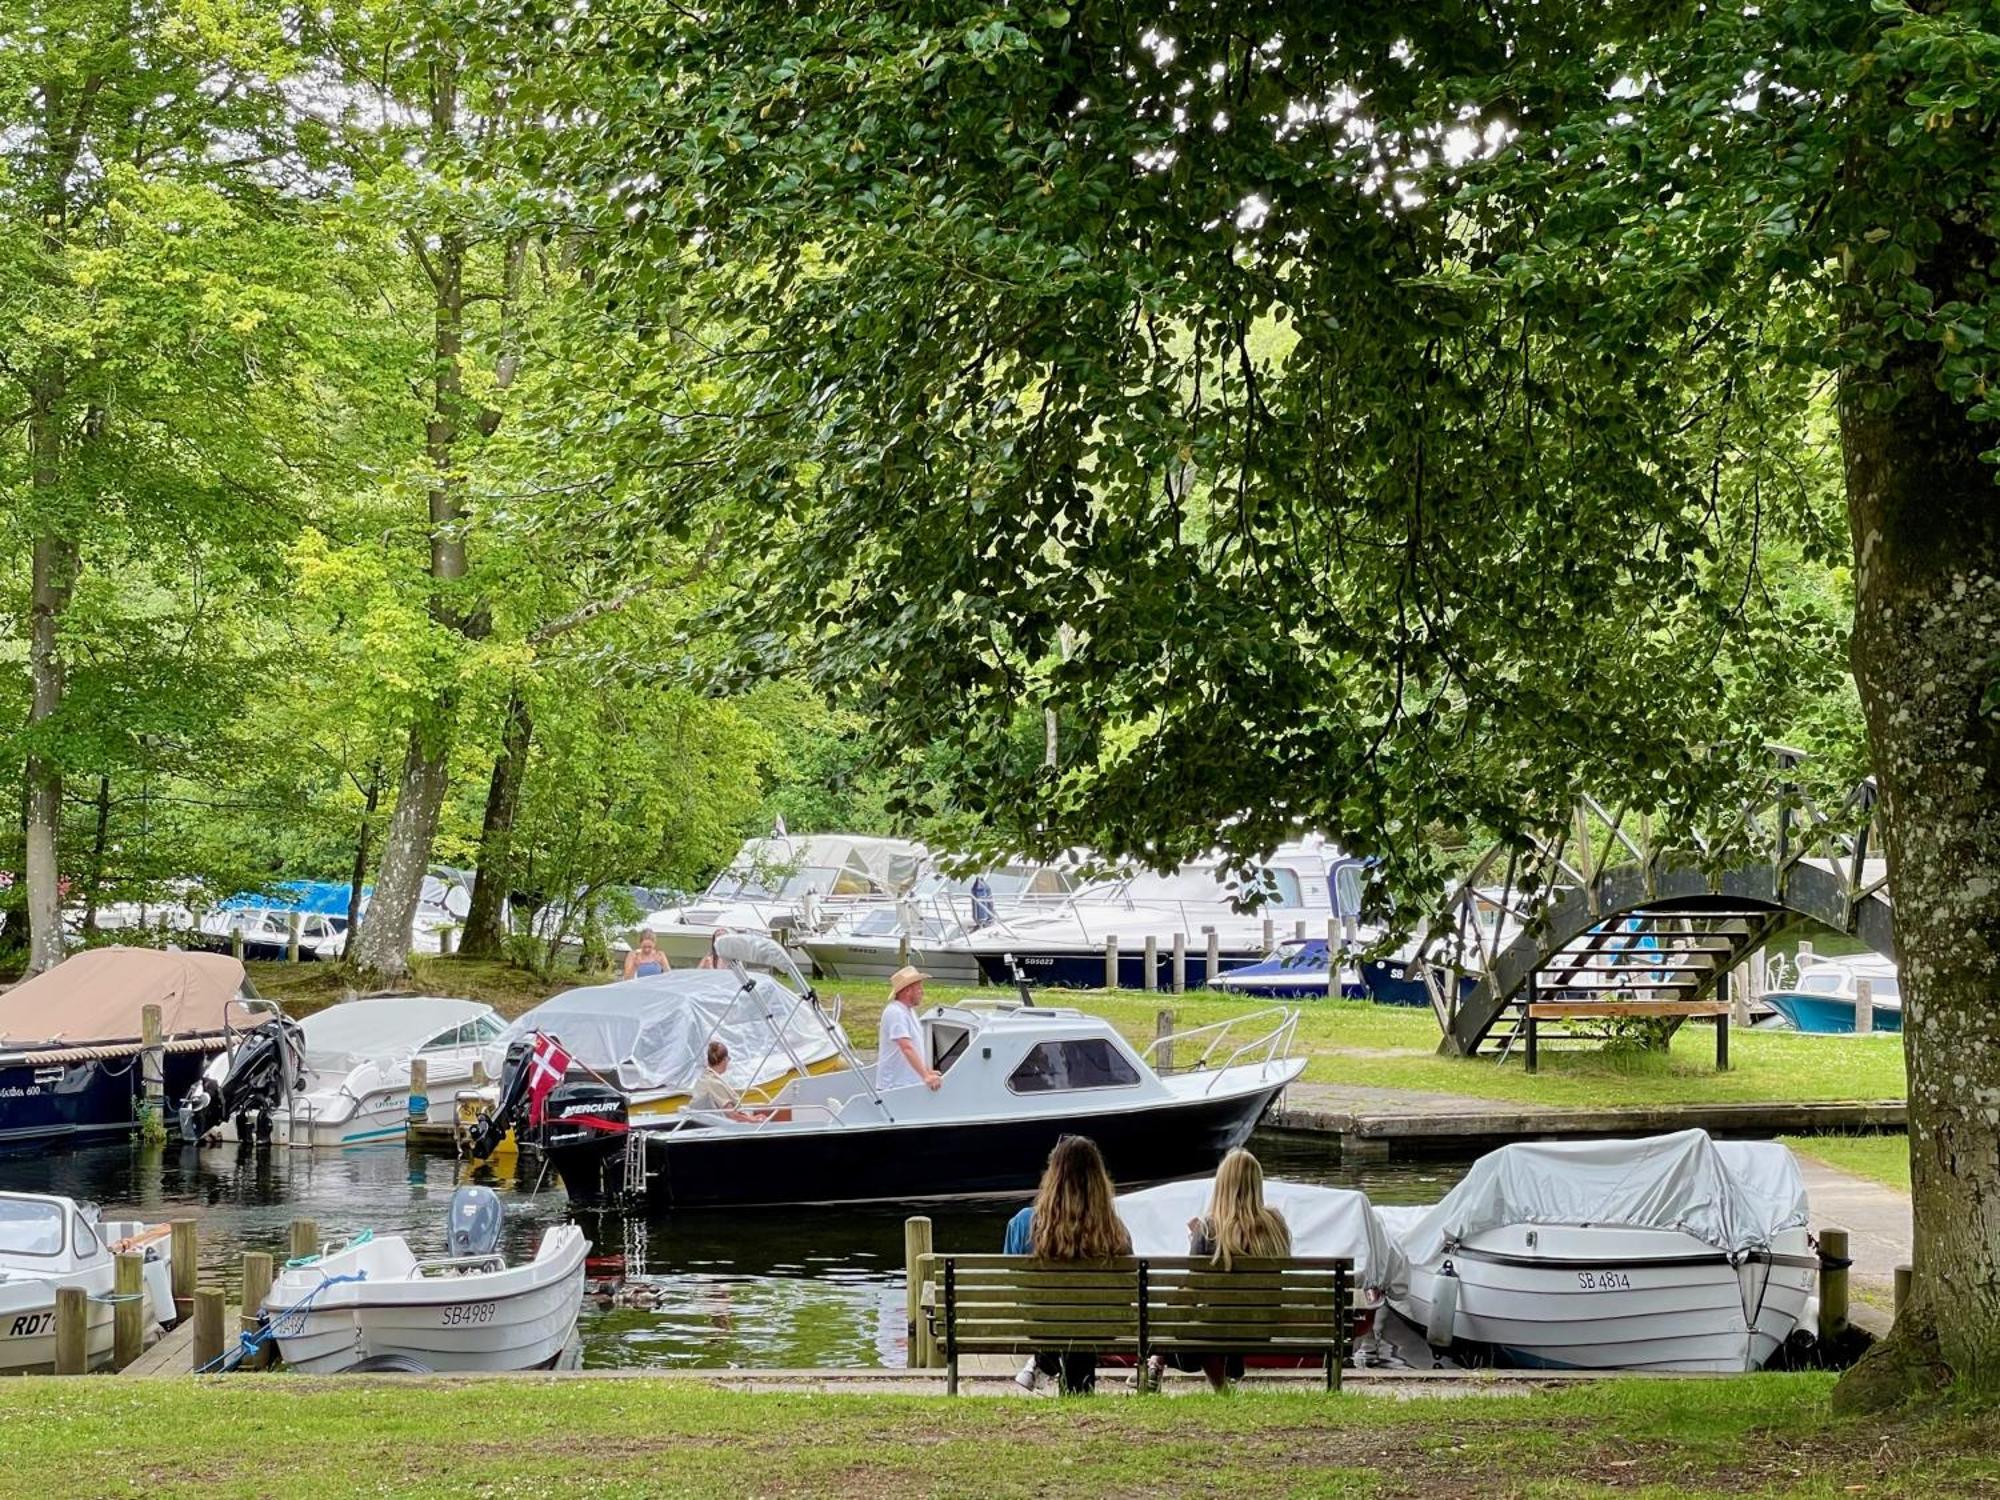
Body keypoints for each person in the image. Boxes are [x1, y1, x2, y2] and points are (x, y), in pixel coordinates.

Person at [1151, 1147, 1292, 1391]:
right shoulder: (1276, 1224)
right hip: (1263, 1325)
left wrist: (1195, 1238)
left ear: (1223, 1184)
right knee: (1216, 1316)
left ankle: (1156, 1362)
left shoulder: (1209, 1227)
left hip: (1218, 1326)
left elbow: (1193, 1286)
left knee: (1188, 1308)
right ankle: (1220, 1383)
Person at [1002, 1136, 1132, 1395]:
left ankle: (1043, 1362)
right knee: (1082, 1321)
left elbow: (1012, 1283)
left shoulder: (1023, 1223)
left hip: (1040, 1323)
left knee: (1064, 1320)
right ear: (1099, 1181)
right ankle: (1066, 1384)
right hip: (1101, 1326)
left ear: (1052, 1176)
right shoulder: (1114, 1230)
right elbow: (1125, 1288)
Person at [688, 1040, 788, 1124]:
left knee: (770, 1108)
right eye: (728, 1059)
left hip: (717, 1119)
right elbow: (732, 1115)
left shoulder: (705, 1078)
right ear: (724, 1060)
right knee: (782, 1114)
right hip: (730, 1124)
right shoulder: (714, 1083)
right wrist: (753, 1119)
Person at [877, 965, 941, 1092]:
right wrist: (926, 1076)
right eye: (919, 988)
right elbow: (906, 1047)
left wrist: (927, 1070)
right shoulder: (896, 1013)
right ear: (908, 991)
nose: (922, 992)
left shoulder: (908, 1011)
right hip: (894, 1086)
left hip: (905, 1084)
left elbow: (916, 1047)